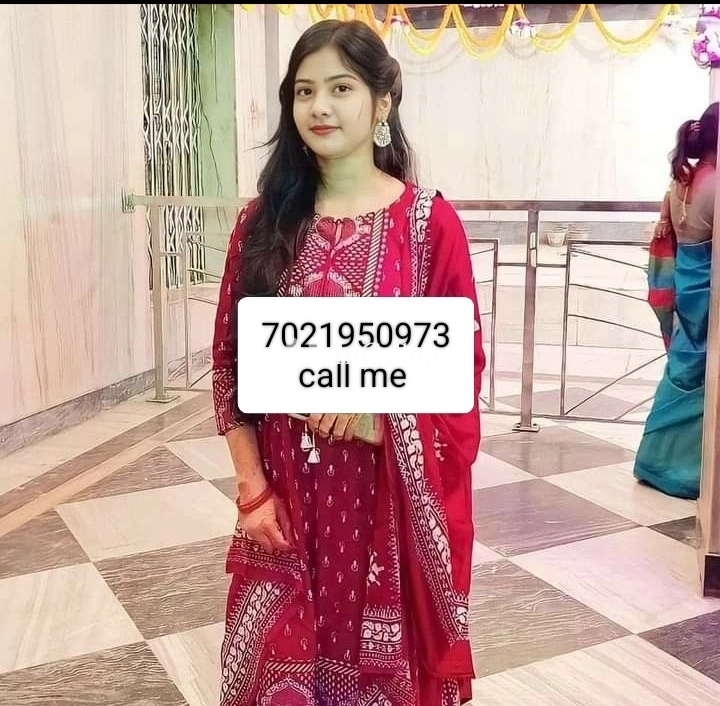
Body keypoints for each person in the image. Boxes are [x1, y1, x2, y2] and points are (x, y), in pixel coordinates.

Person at [211, 18, 486, 706]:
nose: (320, 107)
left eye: (340, 88)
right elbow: (229, 364)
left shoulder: (427, 225)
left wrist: (377, 412)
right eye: (304, 91)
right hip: (284, 505)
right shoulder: (261, 224)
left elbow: (459, 368)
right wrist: (252, 490)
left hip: (383, 511)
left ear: (382, 101)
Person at [634, 102, 718, 500]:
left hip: (684, 282)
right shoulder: (716, 183)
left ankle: (654, 461)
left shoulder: (680, 182)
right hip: (709, 288)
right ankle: (683, 471)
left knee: (683, 371)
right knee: (702, 378)